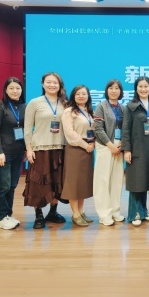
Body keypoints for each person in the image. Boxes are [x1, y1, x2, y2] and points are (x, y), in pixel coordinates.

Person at [23, 72, 67, 229]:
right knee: (39, 183)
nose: (52, 85)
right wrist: (29, 149)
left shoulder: (65, 103)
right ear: (43, 84)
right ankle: (39, 215)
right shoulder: (35, 103)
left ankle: (53, 212)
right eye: (48, 82)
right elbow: (27, 127)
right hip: (40, 148)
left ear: (59, 85)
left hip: (60, 148)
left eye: (55, 82)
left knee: (57, 181)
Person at [0, 77, 26, 230]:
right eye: (11, 88)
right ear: (5, 90)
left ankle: (8, 215)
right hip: (3, 154)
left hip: (18, 154)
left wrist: (25, 149)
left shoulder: (24, 107)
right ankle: (1, 217)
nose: (15, 91)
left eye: (17, 88)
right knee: (2, 187)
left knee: (11, 186)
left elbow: (25, 130)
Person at [122, 76, 149, 227]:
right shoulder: (130, 106)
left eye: (146, 86)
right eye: (140, 86)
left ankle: (143, 211)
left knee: (145, 180)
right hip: (136, 148)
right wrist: (126, 149)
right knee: (136, 181)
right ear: (136, 89)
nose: (143, 89)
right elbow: (126, 129)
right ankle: (134, 213)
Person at [60, 85, 95, 227]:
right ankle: (75, 214)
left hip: (88, 149)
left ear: (88, 96)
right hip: (75, 149)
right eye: (78, 94)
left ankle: (81, 212)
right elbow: (69, 133)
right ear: (73, 96)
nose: (81, 96)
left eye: (84, 94)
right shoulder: (69, 112)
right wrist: (85, 145)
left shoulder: (89, 112)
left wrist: (92, 143)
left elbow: (93, 130)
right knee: (73, 183)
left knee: (83, 183)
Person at [93, 79, 126, 226]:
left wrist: (122, 144)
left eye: (117, 88)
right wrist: (110, 145)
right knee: (103, 181)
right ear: (107, 90)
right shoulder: (101, 106)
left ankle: (115, 211)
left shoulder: (122, 108)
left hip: (119, 147)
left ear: (120, 91)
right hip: (105, 146)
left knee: (117, 180)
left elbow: (126, 128)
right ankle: (104, 214)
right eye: (111, 88)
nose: (114, 91)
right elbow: (98, 129)